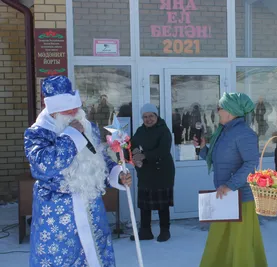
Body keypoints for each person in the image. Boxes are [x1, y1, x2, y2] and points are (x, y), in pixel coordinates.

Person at [24, 76, 132, 267]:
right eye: (68, 110)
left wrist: (116, 175)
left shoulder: (89, 127)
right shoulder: (37, 133)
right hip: (57, 218)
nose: (75, 113)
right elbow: (44, 166)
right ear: (53, 110)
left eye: (76, 108)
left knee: (96, 257)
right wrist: (71, 137)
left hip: (91, 210)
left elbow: (99, 161)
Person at [194, 92, 268, 267]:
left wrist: (230, 185)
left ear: (231, 111)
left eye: (220, 108)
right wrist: (203, 149)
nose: (217, 111)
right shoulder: (223, 132)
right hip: (225, 196)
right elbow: (218, 160)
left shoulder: (244, 133)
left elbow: (251, 164)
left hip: (241, 199)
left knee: (240, 243)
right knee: (220, 240)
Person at [130, 103, 175, 242]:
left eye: (151, 116)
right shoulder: (140, 130)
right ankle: (145, 231)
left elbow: (163, 150)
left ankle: (165, 231)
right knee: (144, 204)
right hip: (145, 172)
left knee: (163, 204)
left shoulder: (164, 130)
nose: (148, 119)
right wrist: (135, 152)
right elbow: (133, 144)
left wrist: (144, 156)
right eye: (145, 117)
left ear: (156, 116)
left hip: (162, 172)